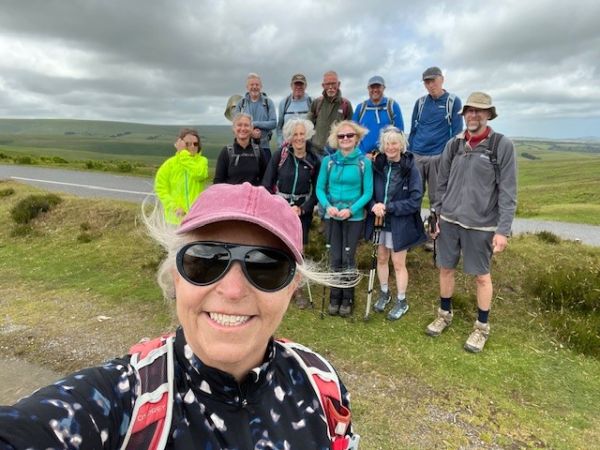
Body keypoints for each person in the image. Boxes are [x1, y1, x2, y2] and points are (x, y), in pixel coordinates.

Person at [0, 183, 360, 449]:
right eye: (205, 261)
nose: (233, 291)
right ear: (176, 275)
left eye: (266, 268)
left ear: (292, 287)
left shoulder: (322, 384)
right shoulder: (122, 401)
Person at [427, 92, 517, 353]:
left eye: (479, 110)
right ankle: (444, 314)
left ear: (489, 114)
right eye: (469, 111)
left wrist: (503, 230)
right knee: (445, 269)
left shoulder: (501, 145)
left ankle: (481, 328)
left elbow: (508, 191)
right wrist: (436, 216)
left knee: (481, 277)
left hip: (481, 226)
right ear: (464, 115)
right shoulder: (453, 145)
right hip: (449, 221)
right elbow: (440, 184)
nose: (473, 115)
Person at [365, 127, 426, 320]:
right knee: (382, 259)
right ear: (382, 146)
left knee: (398, 263)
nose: (390, 147)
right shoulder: (377, 165)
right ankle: (384, 293)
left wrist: (388, 207)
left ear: (401, 145)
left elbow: (415, 200)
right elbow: (368, 192)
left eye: (394, 143)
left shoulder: (411, 168)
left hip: (400, 224)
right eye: (387, 143)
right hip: (378, 221)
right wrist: (374, 205)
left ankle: (402, 301)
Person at [316, 120, 373, 317]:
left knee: (349, 257)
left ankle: (347, 299)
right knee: (335, 257)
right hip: (332, 216)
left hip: (353, 217)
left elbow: (368, 192)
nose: (346, 139)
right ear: (336, 139)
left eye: (350, 135)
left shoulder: (364, 163)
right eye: (341, 136)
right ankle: (334, 296)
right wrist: (328, 206)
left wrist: (352, 210)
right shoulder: (328, 161)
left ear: (357, 138)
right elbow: (320, 189)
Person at [263, 118, 321, 309]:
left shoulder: (314, 159)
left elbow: (318, 190)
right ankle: (275, 285)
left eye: (301, 134)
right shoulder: (280, 155)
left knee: (299, 250)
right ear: (289, 136)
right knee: (277, 246)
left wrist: (303, 208)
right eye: (294, 134)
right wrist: (279, 206)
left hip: (301, 211)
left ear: (307, 135)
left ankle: (297, 290)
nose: (298, 138)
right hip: (280, 207)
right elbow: (267, 184)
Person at [408, 67, 463, 250]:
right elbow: (414, 129)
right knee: (413, 195)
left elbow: (456, 132)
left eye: (433, 80)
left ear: (442, 79)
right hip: (417, 154)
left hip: (439, 156)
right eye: (427, 81)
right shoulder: (420, 103)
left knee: (436, 198)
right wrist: (410, 151)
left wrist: (449, 157)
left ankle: (434, 236)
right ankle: (413, 235)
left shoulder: (453, 102)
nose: (430, 85)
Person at [154, 128, 209, 224]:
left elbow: (199, 174)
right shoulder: (169, 164)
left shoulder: (202, 161)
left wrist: (183, 154)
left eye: (195, 144)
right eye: (187, 144)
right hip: (175, 219)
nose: (192, 147)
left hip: (196, 217)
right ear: (181, 144)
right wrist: (174, 207)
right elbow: (161, 189)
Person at [352, 76, 404, 157]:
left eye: (378, 87)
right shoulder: (361, 108)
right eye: (372, 87)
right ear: (368, 89)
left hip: (387, 157)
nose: (375, 90)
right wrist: (362, 154)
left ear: (383, 88)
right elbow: (353, 134)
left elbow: (399, 132)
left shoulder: (392, 106)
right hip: (365, 157)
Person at [307, 70, 353, 157]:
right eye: (328, 84)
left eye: (333, 83)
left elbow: (350, 130)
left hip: (338, 152)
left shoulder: (346, 104)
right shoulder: (316, 103)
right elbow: (308, 125)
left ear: (338, 84)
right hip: (317, 152)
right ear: (323, 85)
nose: (331, 87)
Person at [213, 112, 268, 185]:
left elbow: (265, 179)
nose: (243, 128)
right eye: (239, 125)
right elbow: (218, 181)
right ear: (233, 128)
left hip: (253, 195)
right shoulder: (226, 152)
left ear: (251, 128)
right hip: (232, 195)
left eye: (246, 125)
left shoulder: (258, 151)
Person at [235, 73, 277, 162]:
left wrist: (254, 124)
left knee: (266, 175)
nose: (254, 87)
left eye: (257, 84)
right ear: (247, 87)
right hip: (244, 147)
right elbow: (236, 125)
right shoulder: (241, 104)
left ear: (261, 86)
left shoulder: (268, 102)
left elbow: (273, 123)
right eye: (251, 84)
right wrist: (251, 132)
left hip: (264, 147)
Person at [276, 73, 312, 146]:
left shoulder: (312, 102)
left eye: (301, 84)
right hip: (288, 146)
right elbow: (279, 127)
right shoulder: (284, 103)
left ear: (305, 86)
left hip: (306, 146)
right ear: (291, 86)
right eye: (296, 84)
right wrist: (281, 144)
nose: (298, 87)